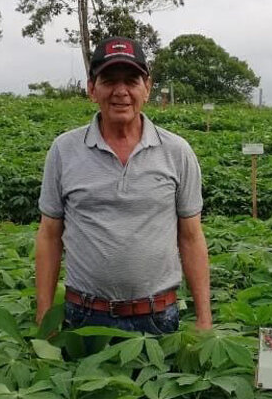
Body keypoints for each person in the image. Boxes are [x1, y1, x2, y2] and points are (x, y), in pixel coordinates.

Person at [34, 36, 212, 334]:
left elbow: (192, 237)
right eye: (109, 80)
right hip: (84, 317)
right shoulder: (64, 150)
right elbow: (49, 236)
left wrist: (204, 319)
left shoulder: (177, 152)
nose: (121, 92)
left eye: (131, 80)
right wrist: (45, 317)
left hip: (158, 316)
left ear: (147, 88)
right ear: (92, 89)